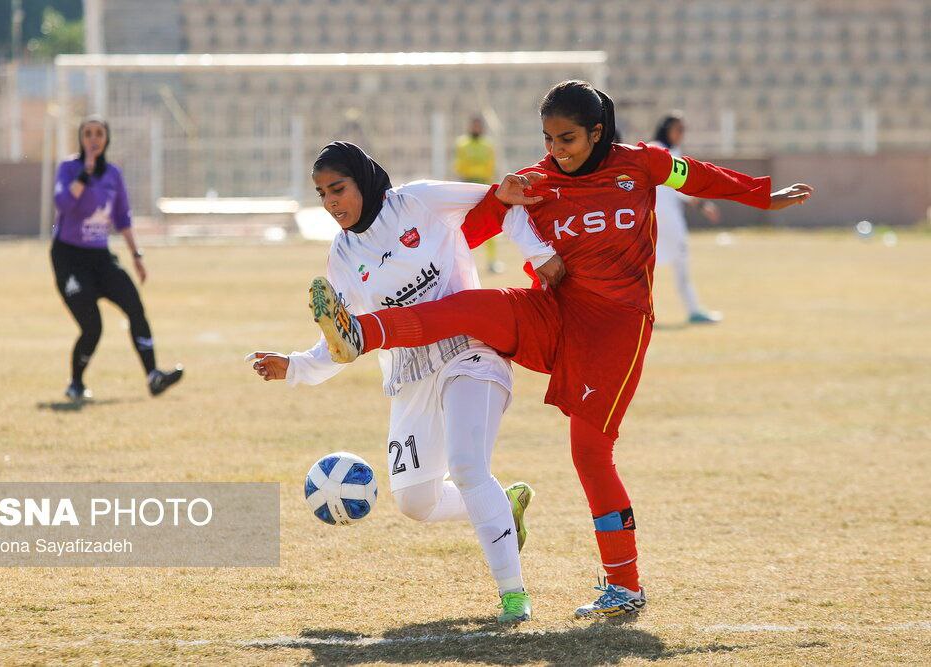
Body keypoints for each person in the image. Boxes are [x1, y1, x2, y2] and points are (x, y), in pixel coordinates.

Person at [308, 82, 813, 618]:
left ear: (598, 132)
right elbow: (473, 231)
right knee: (471, 305)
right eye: (548, 138)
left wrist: (760, 194)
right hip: (552, 312)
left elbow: (695, 174)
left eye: (568, 138)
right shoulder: (539, 181)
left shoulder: (640, 164)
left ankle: (624, 585)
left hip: (615, 329)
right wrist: (509, 211)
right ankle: (363, 332)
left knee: (589, 452)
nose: (556, 149)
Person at [246, 142, 561, 623]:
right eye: (322, 194)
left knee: (467, 466)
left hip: (470, 349)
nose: (331, 202)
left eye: (339, 188)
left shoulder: (418, 201)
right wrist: (294, 366)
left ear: (363, 182)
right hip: (410, 372)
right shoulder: (343, 256)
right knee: (416, 501)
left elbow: (503, 201)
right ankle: (504, 504)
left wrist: (540, 254)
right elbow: (345, 338)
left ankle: (513, 594)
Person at [51, 115, 183, 401]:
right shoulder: (68, 168)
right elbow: (63, 204)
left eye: (99, 133)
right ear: (81, 138)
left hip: (100, 257)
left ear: (106, 139)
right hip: (69, 258)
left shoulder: (113, 174)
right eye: (88, 133)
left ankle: (153, 376)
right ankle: (75, 383)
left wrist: (136, 255)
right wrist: (84, 175)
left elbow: (122, 217)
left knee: (135, 307)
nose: (93, 139)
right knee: (92, 326)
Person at [652, 112, 724, 324]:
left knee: (666, 261)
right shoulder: (656, 149)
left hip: (666, 215)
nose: (681, 134)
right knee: (675, 259)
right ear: (667, 129)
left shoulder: (673, 151)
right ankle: (692, 309)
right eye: (678, 129)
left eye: (683, 130)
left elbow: (679, 187)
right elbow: (674, 185)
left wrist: (702, 204)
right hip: (663, 217)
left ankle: (693, 308)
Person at [454, 115, 503, 274]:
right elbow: (460, 165)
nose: (475, 128)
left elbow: (491, 165)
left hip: (483, 186)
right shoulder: (462, 143)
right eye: (473, 125)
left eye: (478, 125)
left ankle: (492, 261)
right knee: (460, 225)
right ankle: (460, 263)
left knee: (489, 223)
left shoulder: (488, 144)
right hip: (466, 185)